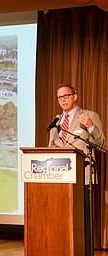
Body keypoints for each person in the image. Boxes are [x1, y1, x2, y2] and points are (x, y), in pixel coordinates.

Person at [48, 84, 105, 256]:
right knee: (62, 220)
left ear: (75, 96)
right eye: (60, 97)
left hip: (82, 177)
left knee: (83, 222)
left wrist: (91, 126)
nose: (63, 100)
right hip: (60, 178)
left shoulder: (88, 116)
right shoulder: (56, 121)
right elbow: (51, 147)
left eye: (66, 96)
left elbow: (102, 143)